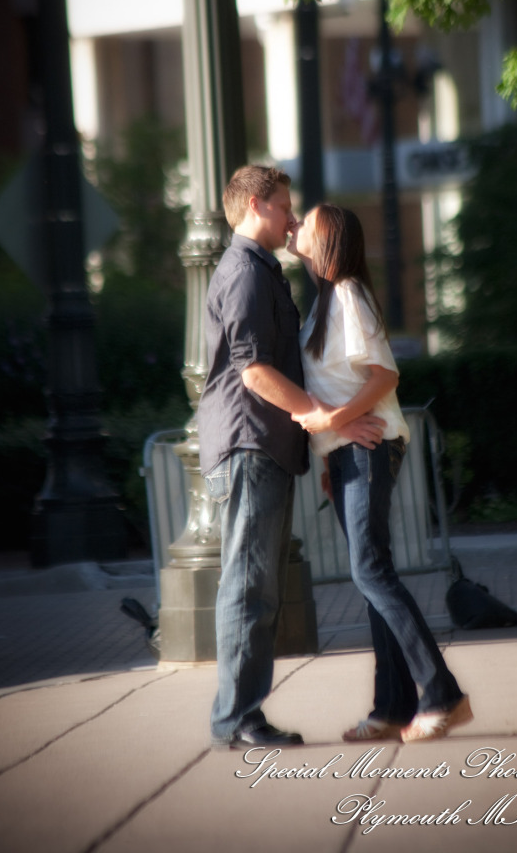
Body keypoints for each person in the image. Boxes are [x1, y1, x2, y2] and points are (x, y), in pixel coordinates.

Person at [197, 166, 384, 750]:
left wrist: (318, 437)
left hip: (262, 446)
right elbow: (254, 372)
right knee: (249, 588)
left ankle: (242, 715)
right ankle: (237, 720)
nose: (292, 218)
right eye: (284, 206)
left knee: (259, 588)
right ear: (256, 205)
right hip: (249, 444)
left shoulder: (260, 269)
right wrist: (329, 420)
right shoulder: (245, 273)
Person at [288, 202, 472, 743]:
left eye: (306, 221)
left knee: (370, 573)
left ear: (329, 239)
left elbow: (383, 375)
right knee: (372, 577)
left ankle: (442, 695)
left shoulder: (348, 292)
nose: (295, 223)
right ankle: (392, 707)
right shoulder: (323, 302)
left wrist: (334, 423)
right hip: (348, 455)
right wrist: (330, 454)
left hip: (369, 448)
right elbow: (338, 383)